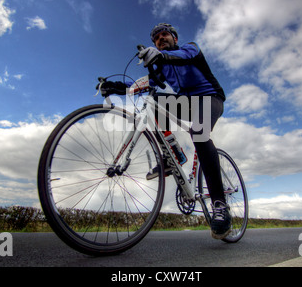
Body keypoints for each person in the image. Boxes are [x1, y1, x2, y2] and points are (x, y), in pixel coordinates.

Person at [99, 23, 231, 239]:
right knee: (154, 101)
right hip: (186, 102)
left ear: (174, 38)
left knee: (199, 132)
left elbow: (183, 55)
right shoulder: (162, 66)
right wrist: (115, 87)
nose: (161, 39)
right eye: (157, 39)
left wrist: (159, 56)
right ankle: (173, 155)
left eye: (165, 35)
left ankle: (219, 205)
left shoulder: (190, 49)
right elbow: (139, 85)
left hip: (210, 98)